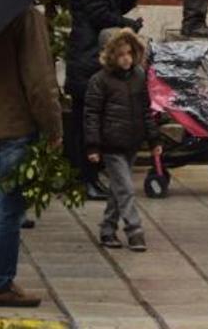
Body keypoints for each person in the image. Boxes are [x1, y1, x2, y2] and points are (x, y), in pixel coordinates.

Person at [0, 9, 62, 307]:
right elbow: (39, 78)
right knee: (7, 206)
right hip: (16, 122)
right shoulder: (24, 15)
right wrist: (53, 125)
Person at [67, 0, 141, 200]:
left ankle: (90, 176)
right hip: (88, 53)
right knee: (86, 118)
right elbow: (98, 14)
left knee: (93, 118)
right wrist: (127, 24)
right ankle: (85, 178)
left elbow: (107, 7)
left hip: (95, 51)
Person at [84, 29, 161, 252]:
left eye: (129, 53)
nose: (126, 58)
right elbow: (91, 115)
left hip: (132, 141)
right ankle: (134, 230)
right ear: (111, 56)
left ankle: (107, 228)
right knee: (126, 188)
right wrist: (93, 145)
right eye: (120, 54)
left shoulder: (138, 76)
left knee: (119, 189)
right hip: (111, 143)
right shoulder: (100, 81)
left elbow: (146, 111)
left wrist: (153, 138)